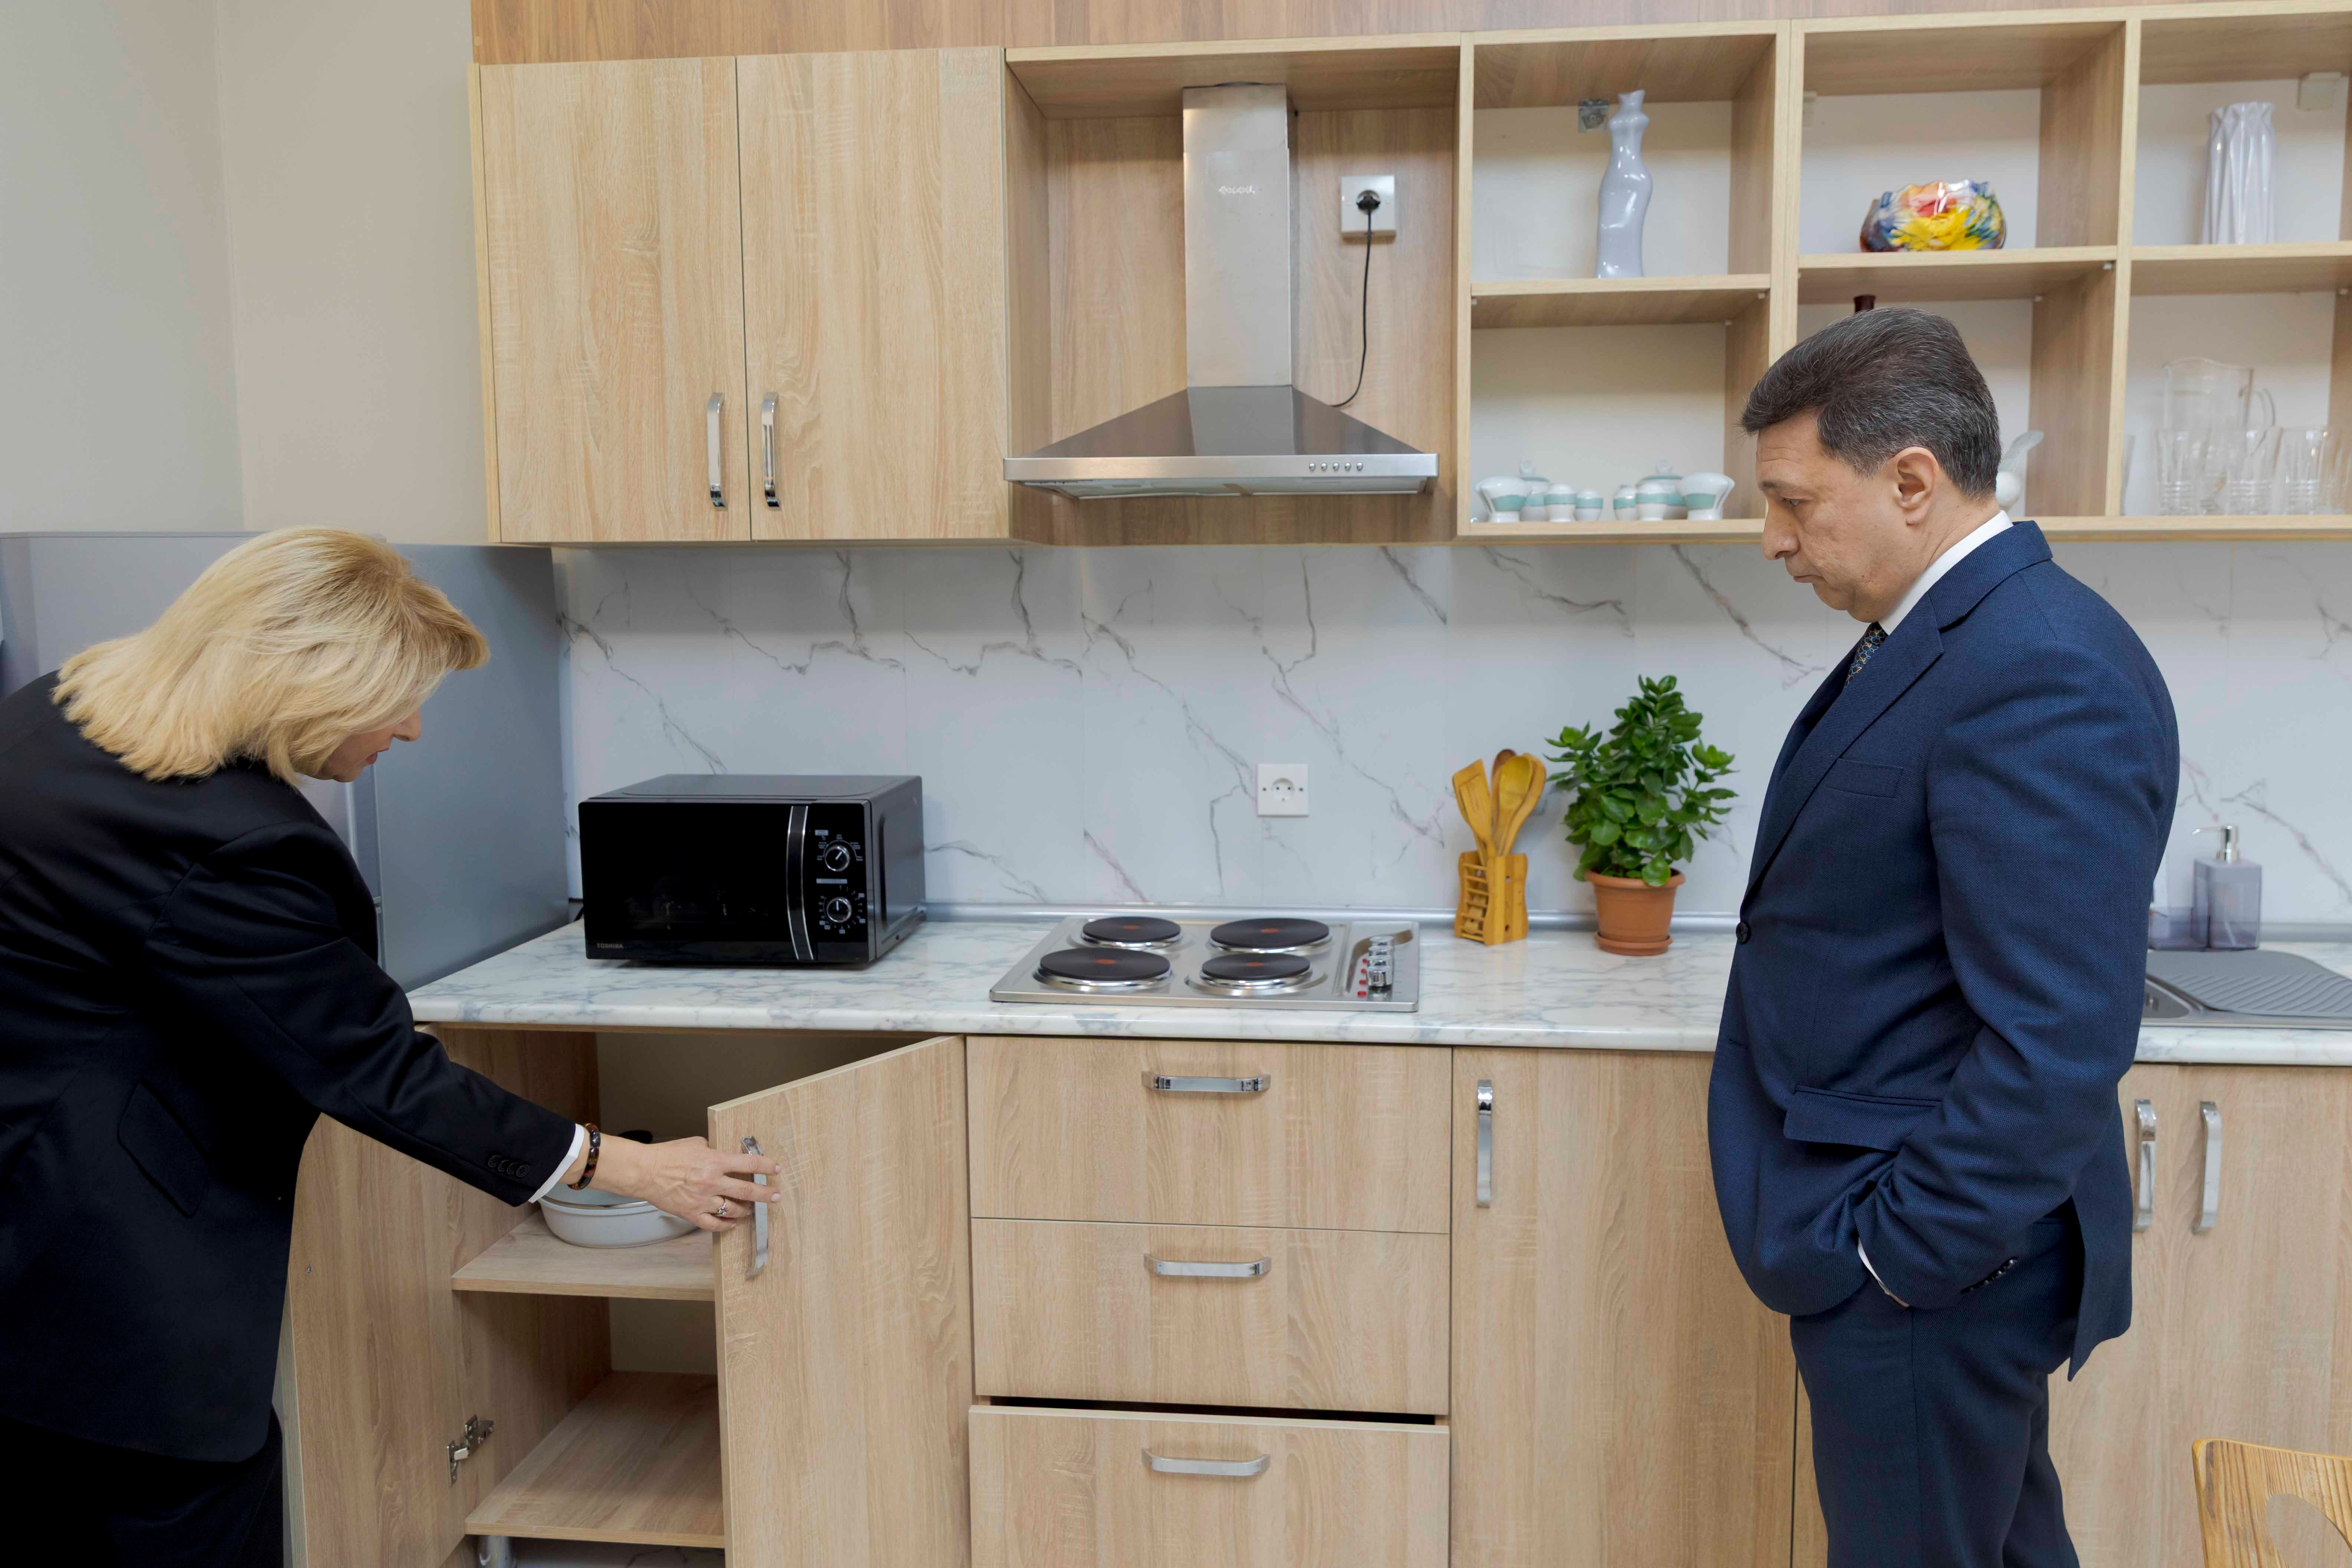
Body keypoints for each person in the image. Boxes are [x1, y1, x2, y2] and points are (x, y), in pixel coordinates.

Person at [0, 528, 780, 1567]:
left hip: (30, 1219)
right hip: (98, 1274)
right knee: (195, 1509)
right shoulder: (234, 843)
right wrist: (637, 1168)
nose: (411, 729)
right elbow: (381, 1073)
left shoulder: (60, 713)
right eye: (396, 702)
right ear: (307, 688)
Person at [1706, 309, 2177, 1567]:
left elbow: (2058, 1040)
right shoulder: (1952, 636)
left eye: (1795, 501)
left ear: (1912, 481)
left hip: (1936, 1274)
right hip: (1930, 1258)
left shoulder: (2037, 666)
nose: (1774, 537)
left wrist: (1893, 1255)